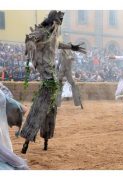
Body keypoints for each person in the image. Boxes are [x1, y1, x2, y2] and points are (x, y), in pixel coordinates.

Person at [20, 10, 86, 154]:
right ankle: (27, 140)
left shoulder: (54, 32)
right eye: (59, 17)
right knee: (41, 107)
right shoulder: (43, 31)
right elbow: (31, 37)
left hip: (53, 75)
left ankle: (45, 140)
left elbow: (57, 44)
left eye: (62, 18)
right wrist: (30, 44)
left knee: (51, 109)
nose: (61, 20)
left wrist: (71, 47)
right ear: (53, 18)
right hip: (47, 76)